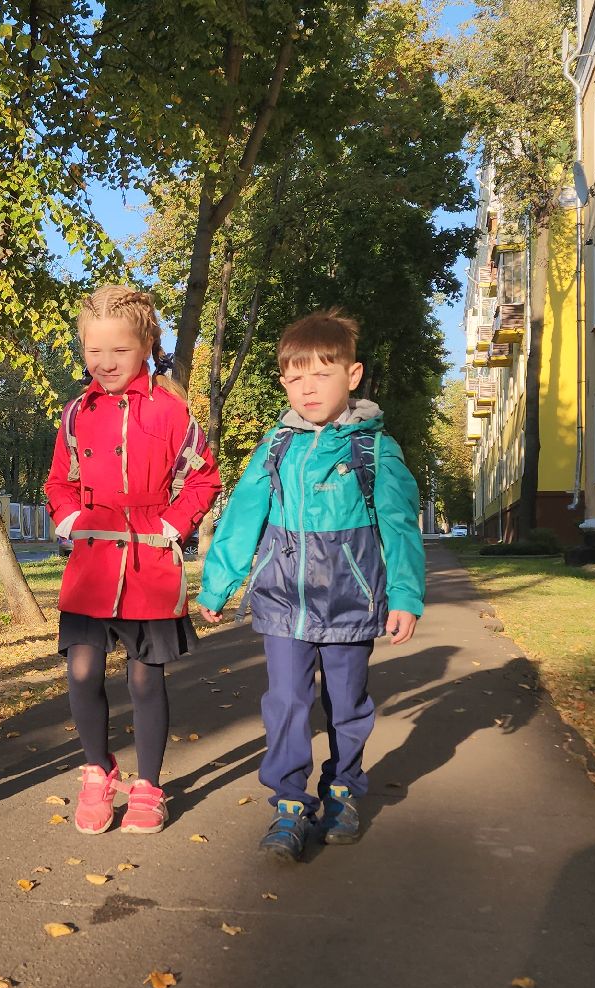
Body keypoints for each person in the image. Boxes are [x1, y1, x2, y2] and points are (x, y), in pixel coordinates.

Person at [196, 310, 426, 863]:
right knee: (287, 702)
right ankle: (290, 803)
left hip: (350, 600)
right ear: (284, 384)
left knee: (346, 703)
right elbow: (243, 518)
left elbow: (398, 525)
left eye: (321, 374)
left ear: (353, 375)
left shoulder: (374, 450)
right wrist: (216, 586)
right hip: (283, 602)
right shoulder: (276, 447)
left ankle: (343, 789)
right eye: (296, 378)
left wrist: (405, 596)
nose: (308, 388)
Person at [46, 285, 220, 836]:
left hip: (149, 564)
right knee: (81, 672)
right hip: (92, 563)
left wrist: (173, 524)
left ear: (146, 345)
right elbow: (59, 481)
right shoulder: (76, 414)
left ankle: (148, 785)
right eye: (93, 351)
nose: (104, 363)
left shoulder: (172, 411)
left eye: (118, 352)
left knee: (145, 682)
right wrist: (69, 518)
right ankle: (97, 770)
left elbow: (203, 477)